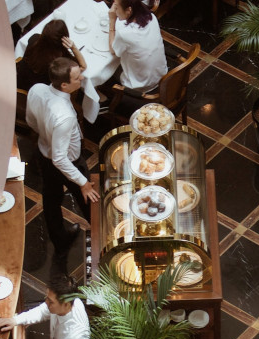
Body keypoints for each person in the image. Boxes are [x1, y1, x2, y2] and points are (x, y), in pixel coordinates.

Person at [27, 57, 100, 263]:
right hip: (69, 162)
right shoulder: (65, 116)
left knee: (51, 201)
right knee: (90, 202)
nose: (82, 79)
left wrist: (45, 135)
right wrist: (83, 183)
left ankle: (60, 242)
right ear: (65, 84)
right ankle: (101, 239)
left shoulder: (37, 89)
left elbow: (31, 120)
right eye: (77, 78)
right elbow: (60, 159)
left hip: (43, 155)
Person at [107, 0, 167, 93]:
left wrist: (112, 20)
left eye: (116, 7)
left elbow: (112, 50)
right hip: (161, 77)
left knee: (107, 68)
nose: (114, 10)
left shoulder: (125, 34)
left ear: (129, 10)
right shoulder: (151, 17)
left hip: (140, 86)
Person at [17, 20, 87, 91]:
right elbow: (83, 66)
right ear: (64, 39)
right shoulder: (59, 61)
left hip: (19, 83)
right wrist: (73, 47)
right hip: (40, 92)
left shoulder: (34, 38)